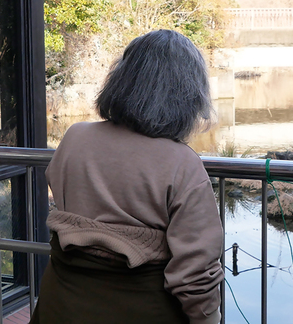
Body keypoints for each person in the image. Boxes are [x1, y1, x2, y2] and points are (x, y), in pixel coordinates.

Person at [31, 29, 224, 324]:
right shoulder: (182, 163)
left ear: (122, 79)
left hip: (61, 302)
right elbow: (195, 273)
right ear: (188, 96)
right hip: (142, 309)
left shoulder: (75, 137)